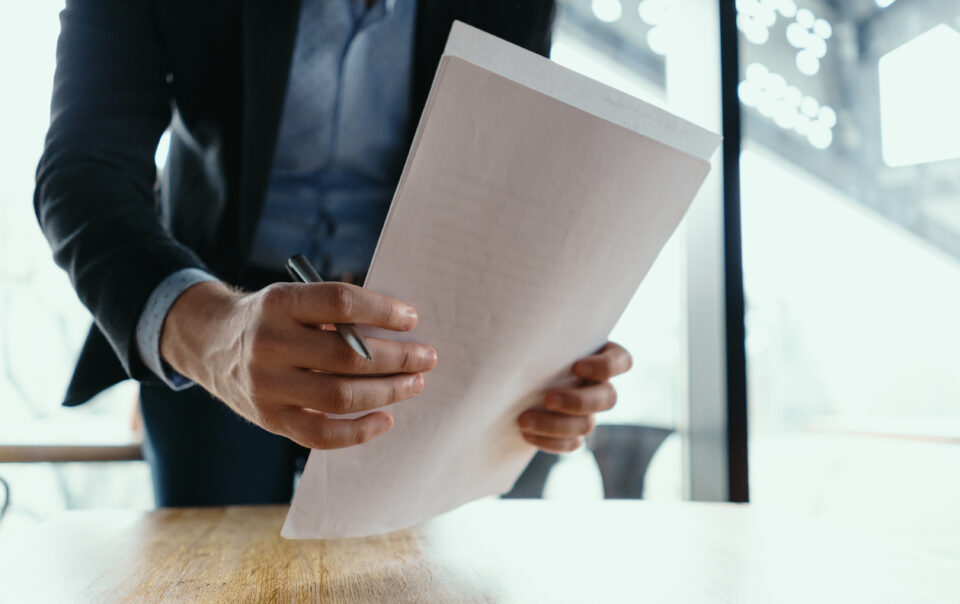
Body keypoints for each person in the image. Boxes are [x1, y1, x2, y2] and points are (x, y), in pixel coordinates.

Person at [34, 0, 632, 506]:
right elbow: (83, 171)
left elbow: (509, 181)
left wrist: (550, 349)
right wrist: (209, 334)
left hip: (418, 343)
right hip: (213, 329)